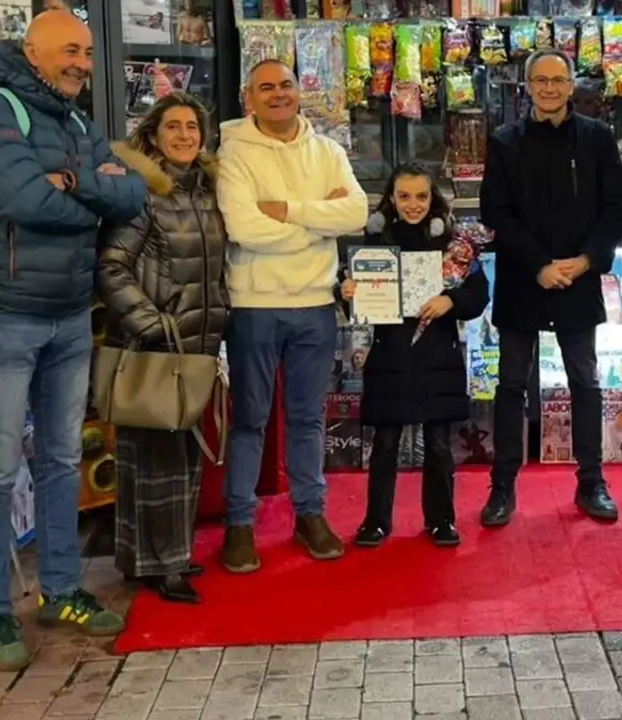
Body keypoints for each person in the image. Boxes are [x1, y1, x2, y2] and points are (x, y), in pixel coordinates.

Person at [0, 11, 146, 671]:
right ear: (31, 50)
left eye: (88, 53)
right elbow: (29, 202)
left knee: (61, 460)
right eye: (70, 50)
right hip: (5, 314)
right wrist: (90, 195)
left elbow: (134, 194)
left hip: (68, 311)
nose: (82, 64)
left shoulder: (79, 124)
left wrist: (76, 186)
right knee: (0, 469)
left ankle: (61, 591)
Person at [217, 59, 368, 572]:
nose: (278, 94)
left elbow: (356, 213)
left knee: (308, 419)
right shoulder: (232, 153)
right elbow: (243, 228)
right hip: (255, 305)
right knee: (250, 422)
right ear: (249, 97)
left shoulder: (326, 150)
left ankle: (310, 514)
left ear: (297, 93)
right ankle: (239, 524)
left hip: (316, 303)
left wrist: (288, 209)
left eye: (285, 85)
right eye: (266, 87)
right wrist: (316, 220)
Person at [477, 49, 622, 526]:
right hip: (524, 279)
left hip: (579, 279)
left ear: (569, 85)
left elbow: (614, 209)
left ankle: (592, 481)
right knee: (511, 386)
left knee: (586, 382)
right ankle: (502, 486)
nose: (548, 88)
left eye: (557, 80)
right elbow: (495, 213)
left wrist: (585, 261)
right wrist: (539, 265)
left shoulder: (598, 138)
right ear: (527, 86)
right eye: (539, 80)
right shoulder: (504, 141)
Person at [97, 93, 229, 603]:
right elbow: (112, 266)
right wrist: (151, 323)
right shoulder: (141, 194)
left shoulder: (208, 191)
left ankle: (159, 556)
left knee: (181, 457)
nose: (183, 136)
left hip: (196, 344)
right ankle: (162, 564)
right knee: (153, 459)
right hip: (154, 345)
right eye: (172, 127)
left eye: (191, 127)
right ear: (152, 135)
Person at [340, 163, 489, 547]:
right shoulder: (374, 243)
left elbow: (478, 294)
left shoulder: (454, 244)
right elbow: (347, 296)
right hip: (389, 356)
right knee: (385, 444)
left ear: (433, 198)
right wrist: (347, 291)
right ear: (391, 198)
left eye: (421, 196)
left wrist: (449, 300)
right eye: (404, 196)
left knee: (439, 444)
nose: (413, 204)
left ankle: (441, 519)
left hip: (438, 354)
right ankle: (376, 521)